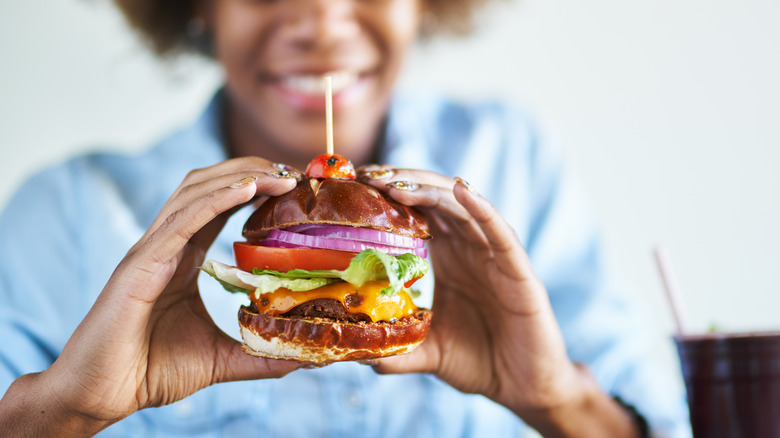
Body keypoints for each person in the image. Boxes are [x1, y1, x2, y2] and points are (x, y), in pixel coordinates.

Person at [0, 0, 690, 436]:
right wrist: (67, 411)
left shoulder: (509, 165)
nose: (324, 23)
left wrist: (553, 401)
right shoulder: (69, 210)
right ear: (199, 8)